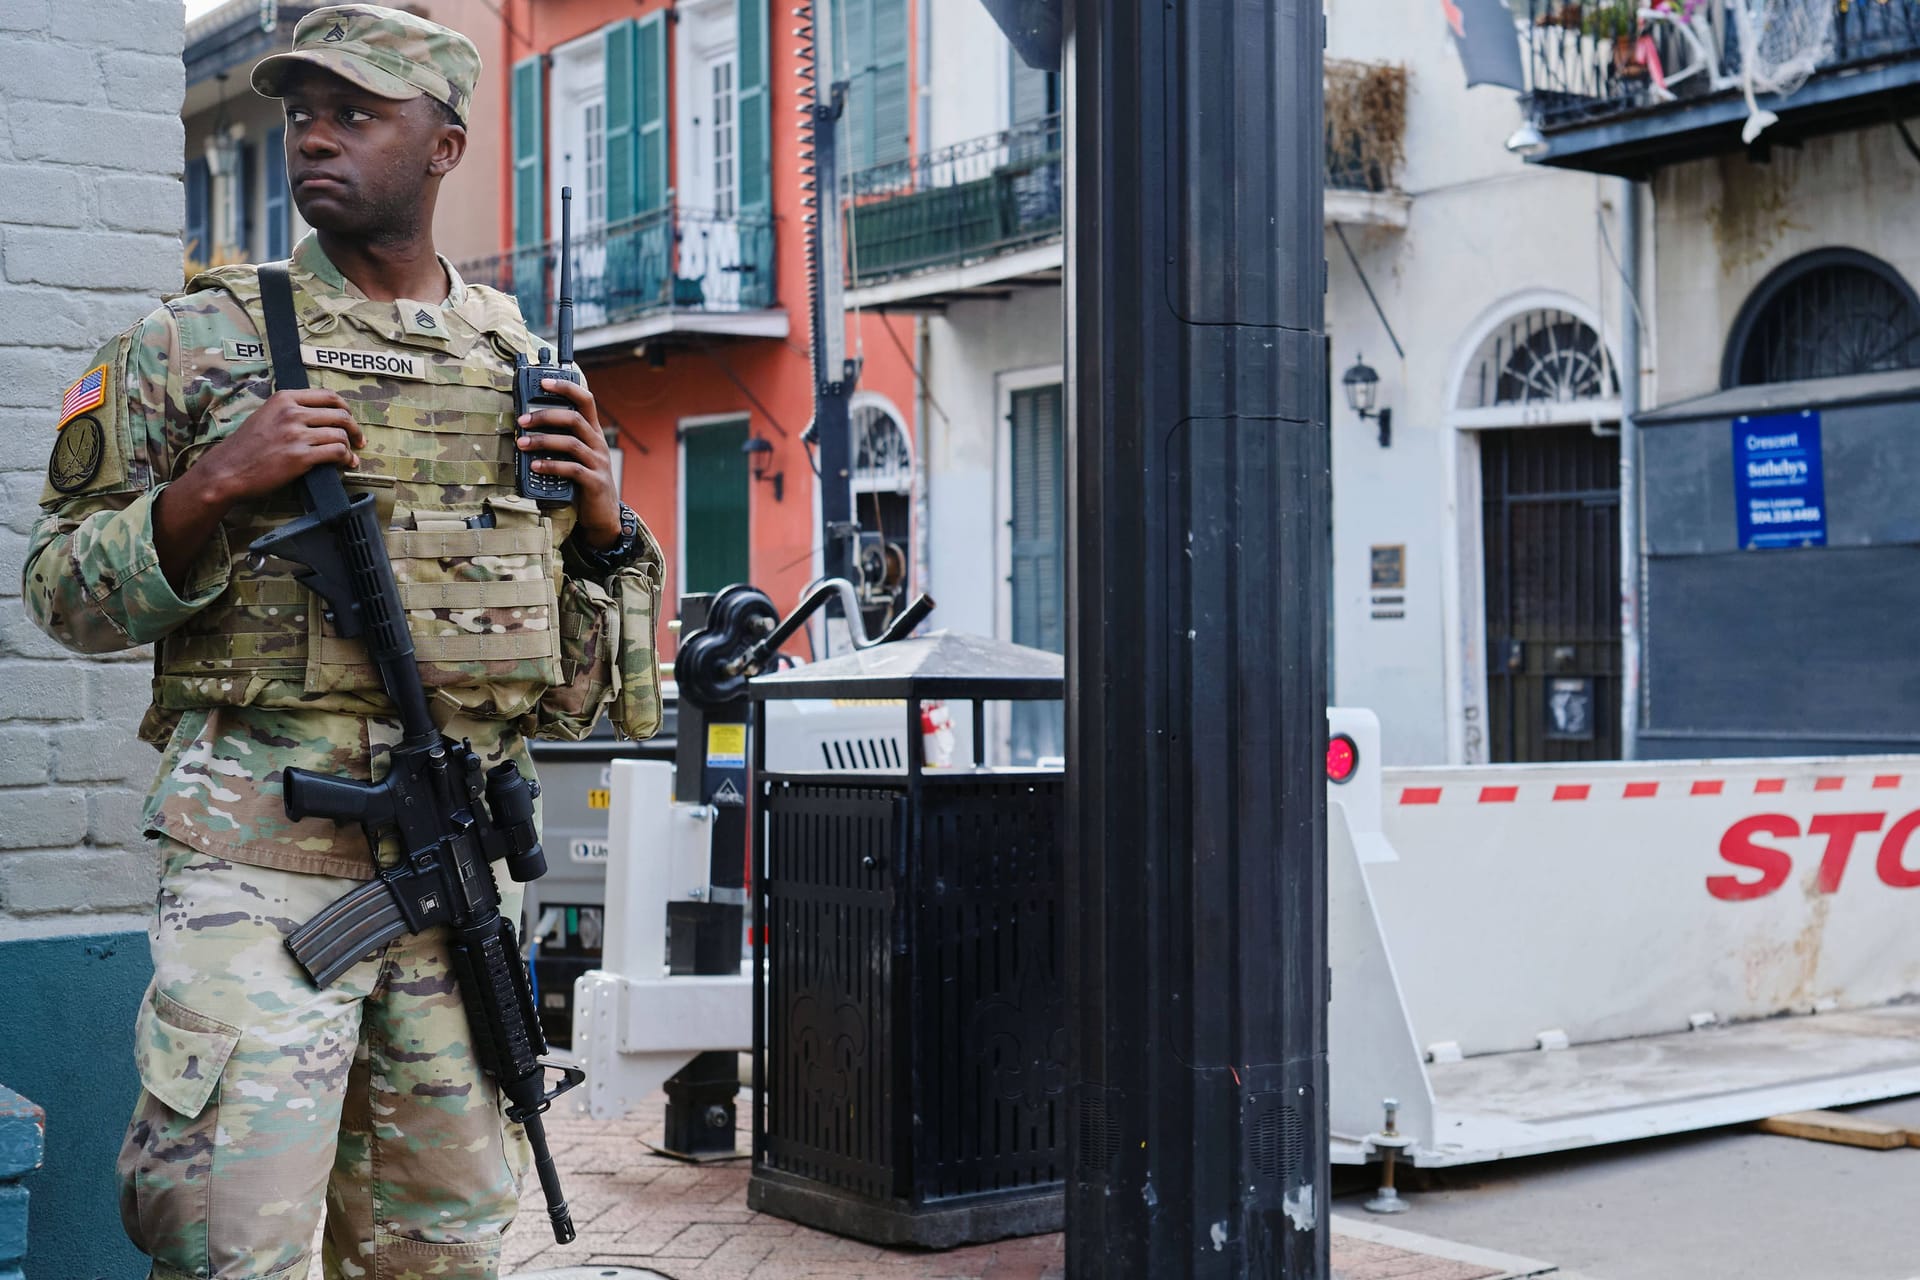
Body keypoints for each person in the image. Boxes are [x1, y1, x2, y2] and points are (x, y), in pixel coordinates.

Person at [22, 7, 663, 1277]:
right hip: (263, 870)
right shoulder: (195, 343)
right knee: (232, 1248)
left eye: (355, 113)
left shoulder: (520, 365)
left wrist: (602, 528)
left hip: (460, 871)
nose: (314, 137)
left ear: (444, 146)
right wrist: (209, 486)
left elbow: (575, 688)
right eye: (301, 112)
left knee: (441, 1251)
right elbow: (59, 590)